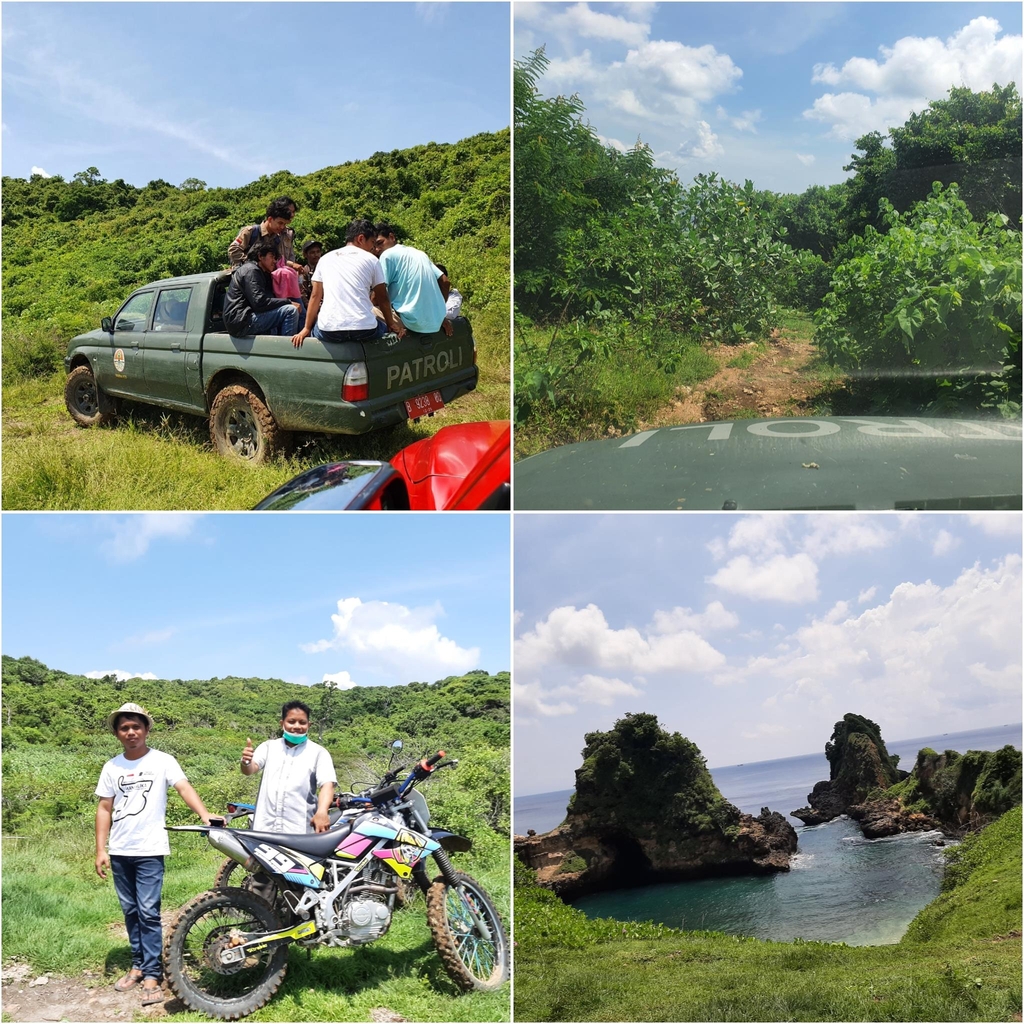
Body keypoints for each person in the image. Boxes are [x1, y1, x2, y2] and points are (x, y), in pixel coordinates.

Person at [95, 702, 212, 1007]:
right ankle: (137, 965)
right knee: (130, 912)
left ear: (146, 730)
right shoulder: (112, 767)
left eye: (136, 726)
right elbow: (104, 808)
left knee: (148, 912)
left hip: (150, 849)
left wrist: (204, 815)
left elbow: (184, 787)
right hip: (120, 850)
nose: (131, 732)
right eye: (124, 728)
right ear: (117, 733)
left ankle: (151, 974)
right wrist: (100, 849)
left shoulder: (163, 761)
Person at [291, 219, 402, 348]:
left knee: (318, 329)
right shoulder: (372, 260)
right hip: (365, 330)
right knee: (379, 326)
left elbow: (315, 297)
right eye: (372, 242)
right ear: (361, 238)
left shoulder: (325, 259)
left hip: (330, 331)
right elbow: (382, 298)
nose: (373, 248)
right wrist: (391, 325)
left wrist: (306, 328)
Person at [240, 700, 336, 834]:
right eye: (291, 721)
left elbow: (327, 784)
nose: (297, 726)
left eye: (302, 722)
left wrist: (322, 811)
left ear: (309, 725)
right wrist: (246, 761)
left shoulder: (319, 752)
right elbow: (249, 770)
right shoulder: (269, 747)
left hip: (299, 830)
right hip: (264, 828)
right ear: (282, 723)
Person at [374, 223, 453, 336]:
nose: (377, 249)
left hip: (409, 322)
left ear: (391, 237)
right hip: (434, 324)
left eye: (380, 243)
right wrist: (438, 315)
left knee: (367, 309)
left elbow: (377, 296)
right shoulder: (420, 253)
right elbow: (445, 282)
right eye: (374, 246)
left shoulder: (386, 255)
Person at [223, 242, 303, 337]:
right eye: (272, 257)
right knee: (291, 310)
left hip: (245, 318)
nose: (274, 261)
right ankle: (285, 349)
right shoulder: (251, 270)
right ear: (260, 256)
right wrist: (288, 302)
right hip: (242, 321)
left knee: (278, 312)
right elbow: (260, 302)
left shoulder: (261, 272)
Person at [227, 199, 294, 268]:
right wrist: (251, 264)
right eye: (280, 223)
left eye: (285, 224)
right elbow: (233, 249)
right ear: (270, 219)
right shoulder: (250, 232)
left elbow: (278, 259)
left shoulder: (276, 239)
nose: (282, 227)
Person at [299, 239, 323, 305]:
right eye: (312, 252)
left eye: (318, 252)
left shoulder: (326, 268)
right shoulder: (303, 272)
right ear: (305, 255)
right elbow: (302, 293)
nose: (316, 255)